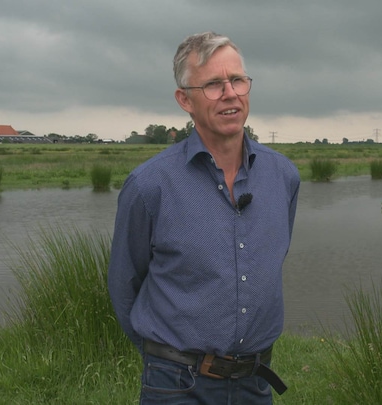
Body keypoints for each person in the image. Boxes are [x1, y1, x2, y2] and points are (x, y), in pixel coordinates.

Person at [108, 32, 300, 404]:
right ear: (185, 99)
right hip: (175, 384)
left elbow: (273, 259)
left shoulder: (284, 177)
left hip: (255, 384)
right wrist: (163, 356)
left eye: (238, 80)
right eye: (213, 84)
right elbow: (124, 284)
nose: (230, 93)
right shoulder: (149, 186)